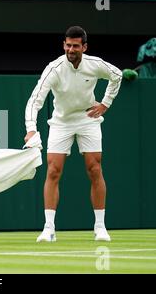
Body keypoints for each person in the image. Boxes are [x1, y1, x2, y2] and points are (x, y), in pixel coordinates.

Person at [24, 26, 122, 242]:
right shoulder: (54, 68)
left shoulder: (95, 64)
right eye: (67, 45)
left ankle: (100, 227)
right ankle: (49, 229)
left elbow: (117, 75)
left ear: (84, 47)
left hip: (88, 119)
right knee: (53, 170)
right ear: (63, 45)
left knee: (94, 168)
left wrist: (105, 104)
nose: (71, 49)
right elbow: (35, 99)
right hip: (61, 122)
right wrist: (31, 129)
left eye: (75, 46)